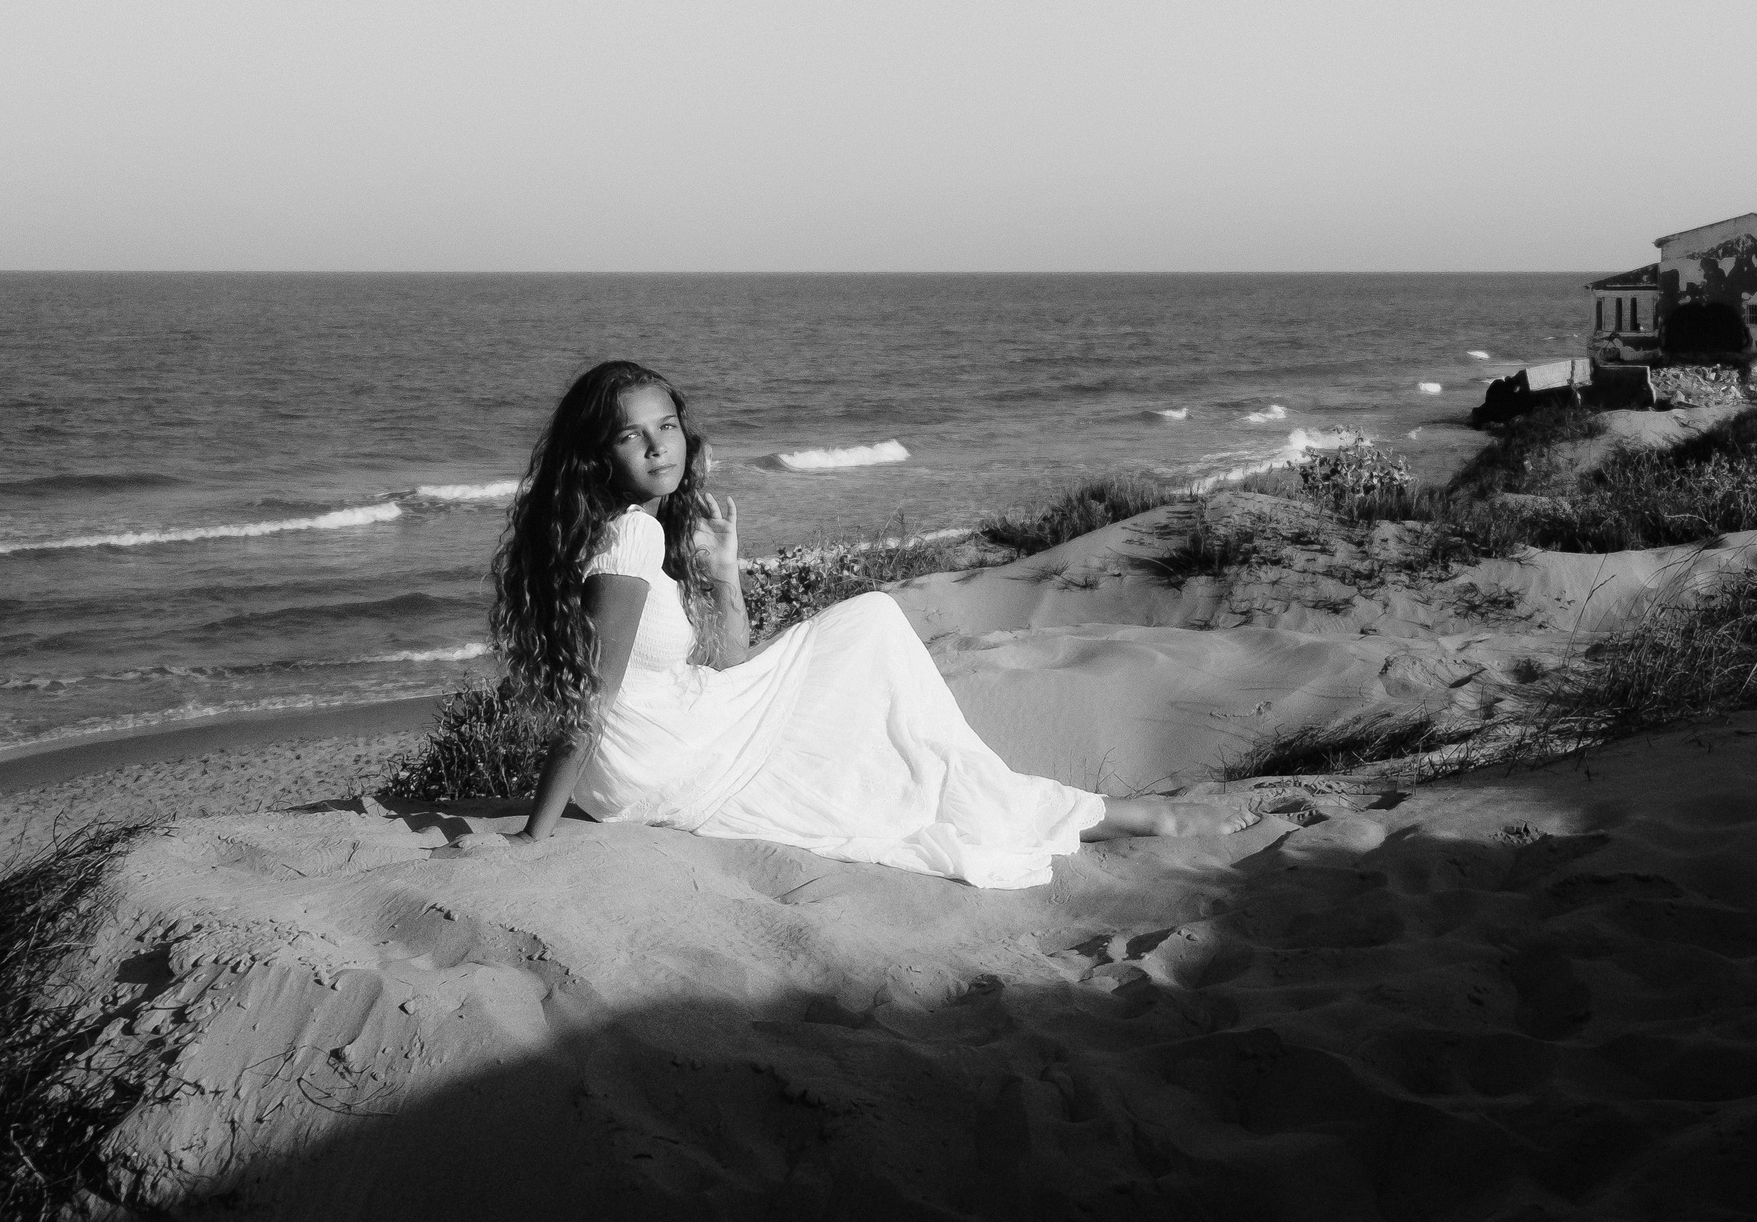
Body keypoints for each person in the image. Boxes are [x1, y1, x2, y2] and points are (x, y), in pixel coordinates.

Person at [498, 361, 1259, 888]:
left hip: (654, 758)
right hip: (664, 761)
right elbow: (591, 699)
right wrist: (535, 835)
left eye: (666, 425)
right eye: (631, 434)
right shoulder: (632, 537)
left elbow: (727, 666)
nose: (657, 445)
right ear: (597, 455)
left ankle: (1093, 813)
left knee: (877, 735)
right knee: (871, 628)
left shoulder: (615, 534)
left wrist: (725, 574)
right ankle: (1117, 817)